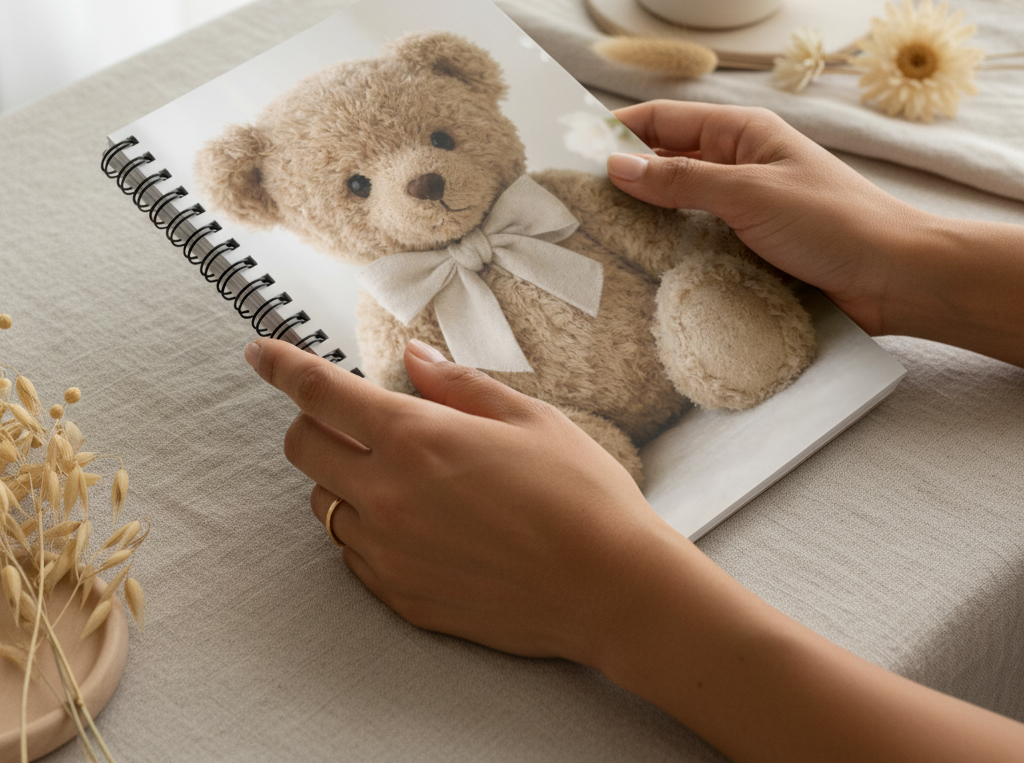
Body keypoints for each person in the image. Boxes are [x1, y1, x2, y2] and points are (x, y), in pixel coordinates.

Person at [244, 101, 1024, 763]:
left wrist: (615, 605)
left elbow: (666, 241)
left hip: (661, 361)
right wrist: (909, 262)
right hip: (580, 419)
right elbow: (401, 374)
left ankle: (720, 327)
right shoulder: (387, 298)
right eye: (354, 185)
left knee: (705, 283)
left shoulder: (557, 198)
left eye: (441, 136)